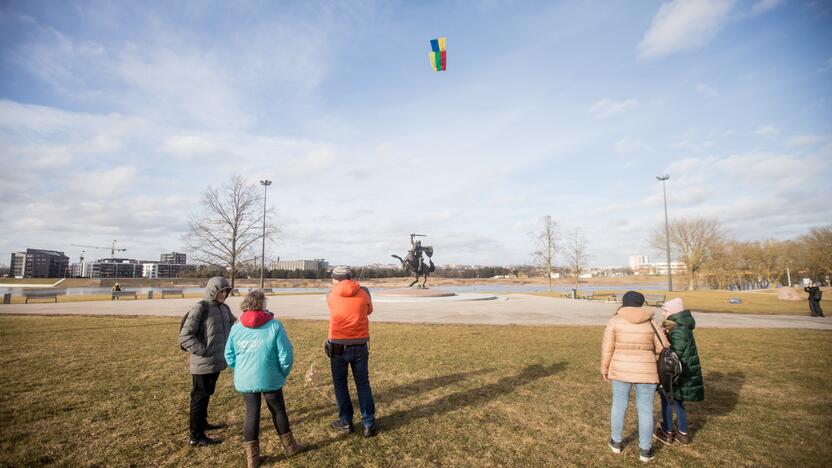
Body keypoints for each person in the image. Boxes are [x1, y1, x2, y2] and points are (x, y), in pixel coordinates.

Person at [225, 290, 306, 467]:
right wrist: (282, 372)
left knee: (251, 413)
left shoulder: (236, 327)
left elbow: (229, 355)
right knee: (278, 410)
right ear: (262, 305)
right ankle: (290, 447)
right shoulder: (274, 325)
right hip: (270, 377)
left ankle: (251, 459)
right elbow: (286, 355)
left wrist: (240, 370)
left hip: (247, 378)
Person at [601, 291, 666, 463]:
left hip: (620, 369)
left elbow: (607, 348)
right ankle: (645, 450)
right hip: (646, 370)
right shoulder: (651, 322)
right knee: (645, 410)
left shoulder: (615, 321)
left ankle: (616, 441)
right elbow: (662, 347)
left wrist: (605, 368)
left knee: (619, 406)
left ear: (624, 303)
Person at [178, 276, 237, 446]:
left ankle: (203, 423)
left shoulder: (224, 308)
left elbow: (235, 325)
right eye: (220, 291)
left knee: (206, 395)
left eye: (226, 291)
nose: (223, 294)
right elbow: (185, 336)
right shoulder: (200, 308)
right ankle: (196, 436)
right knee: (199, 397)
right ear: (212, 291)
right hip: (203, 363)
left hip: (217, 362)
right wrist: (204, 351)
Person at [326, 265, 377, 437]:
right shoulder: (365, 291)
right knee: (363, 383)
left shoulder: (331, 294)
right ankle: (368, 423)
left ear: (337, 279)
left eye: (332, 277)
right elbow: (369, 310)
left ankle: (346, 421)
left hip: (338, 344)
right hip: (360, 344)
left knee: (340, 384)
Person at [653, 298, 704, 446]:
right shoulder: (680, 326)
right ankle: (681, 432)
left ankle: (670, 432)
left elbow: (674, 353)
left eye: (666, 310)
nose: (663, 313)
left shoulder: (679, 330)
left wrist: (663, 338)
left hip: (677, 374)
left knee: (669, 400)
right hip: (682, 372)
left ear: (674, 312)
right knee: (677, 401)